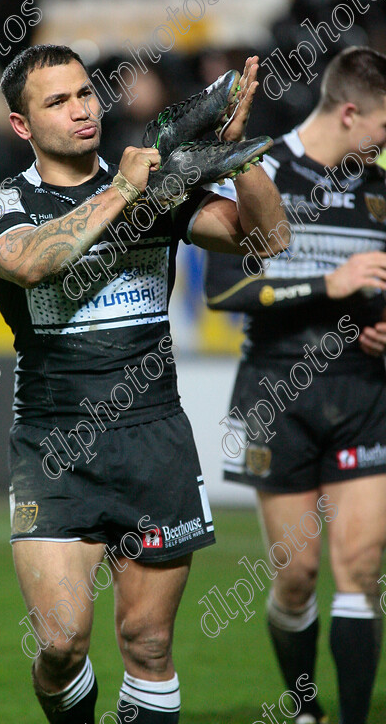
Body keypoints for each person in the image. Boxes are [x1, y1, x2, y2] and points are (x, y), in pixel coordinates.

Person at [0, 44, 287, 723]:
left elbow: (269, 241)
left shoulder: (154, 182)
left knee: (148, 642)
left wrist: (240, 157)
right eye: (57, 101)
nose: (81, 110)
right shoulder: (2, 202)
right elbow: (28, 262)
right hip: (54, 445)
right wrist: (125, 192)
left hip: (153, 438)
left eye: (85, 93)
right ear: (21, 125)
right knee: (61, 641)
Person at [204, 46, 386, 724]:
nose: (385, 145)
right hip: (275, 396)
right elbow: (222, 290)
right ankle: (305, 708)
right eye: (383, 130)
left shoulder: (381, 190)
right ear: (348, 112)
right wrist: (325, 285)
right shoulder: (260, 171)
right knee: (296, 575)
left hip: (365, 394)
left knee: (361, 571)